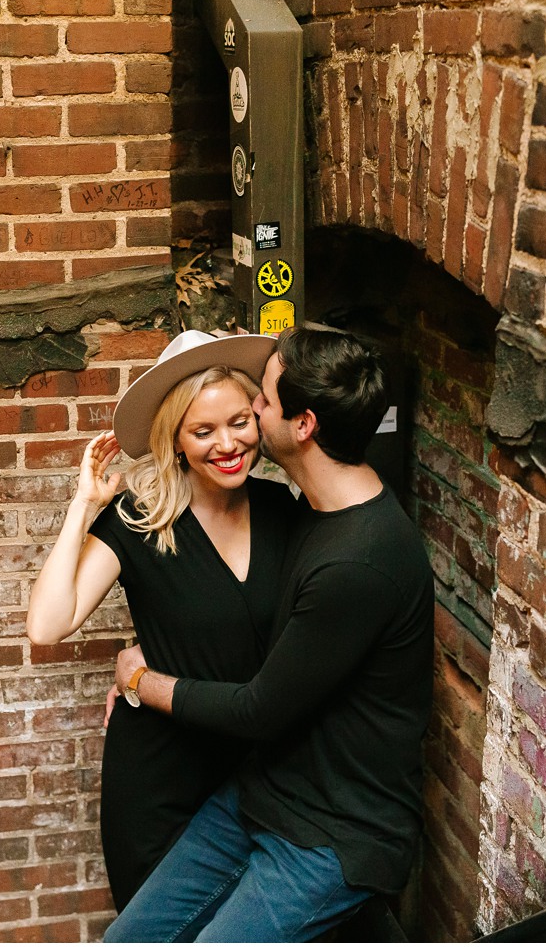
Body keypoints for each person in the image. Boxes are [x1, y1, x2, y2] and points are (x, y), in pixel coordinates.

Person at [104, 324, 435, 945]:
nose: (251, 409)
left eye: (262, 400)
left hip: (335, 834)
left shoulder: (359, 561)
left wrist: (142, 679)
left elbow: (259, 708)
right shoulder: (309, 512)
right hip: (264, 795)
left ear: (303, 425)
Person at [25, 328, 305, 913]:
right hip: (159, 787)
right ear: (175, 441)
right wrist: (85, 504)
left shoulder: (284, 510)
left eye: (238, 422)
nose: (227, 444)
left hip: (261, 779)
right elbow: (48, 625)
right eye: (203, 431)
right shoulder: (142, 521)